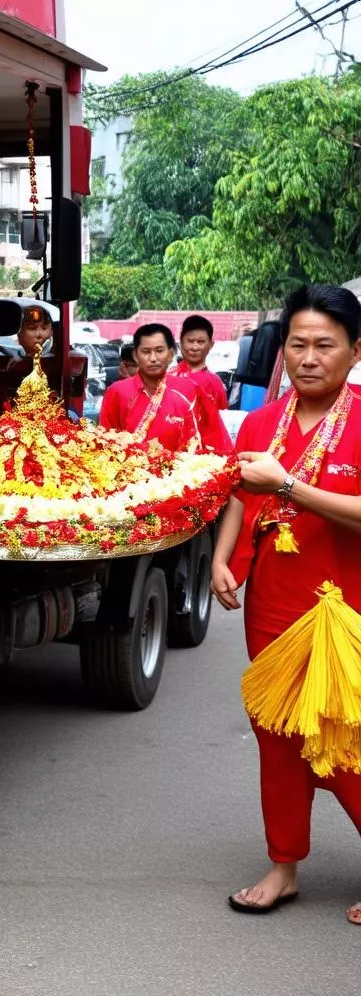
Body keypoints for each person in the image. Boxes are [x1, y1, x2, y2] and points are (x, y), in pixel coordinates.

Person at [211, 283, 361, 923]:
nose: (308, 357)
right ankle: (283, 866)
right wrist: (222, 558)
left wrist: (291, 486)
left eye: (324, 345)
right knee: (275, 737)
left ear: (355, 352)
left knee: (350, 737)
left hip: (345, 606)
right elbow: (242, 495)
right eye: (297, 343)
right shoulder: (262, 421)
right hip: (273, 603)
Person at [97, 323, 201, 451]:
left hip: (179, 469)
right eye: (146, 352)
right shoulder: (117, 391)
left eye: (159, 351)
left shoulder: (188, 389)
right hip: (129, 469)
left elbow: (205, 442)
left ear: (171, 354)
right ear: (136, 355)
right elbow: (104, 441)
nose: (153, 358)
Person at [175, 314, 229, 412]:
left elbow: (222, 419)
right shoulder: (167, 377)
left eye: (200, 342)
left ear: (211, 345)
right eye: (190, 341)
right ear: (181, 343)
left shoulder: (214, 383)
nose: (195, 347)